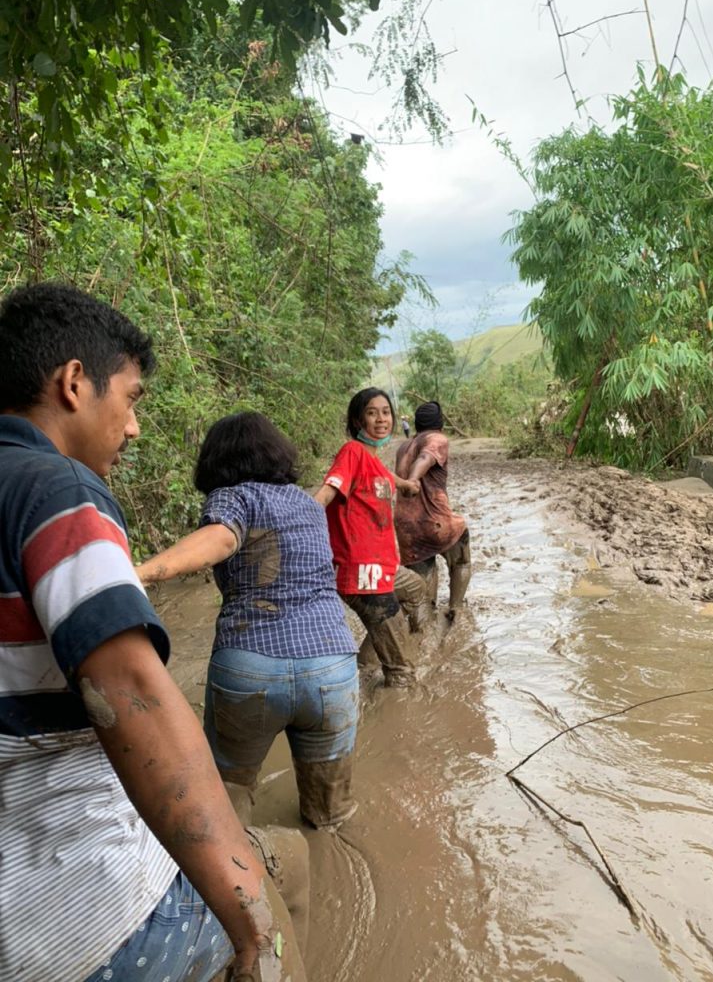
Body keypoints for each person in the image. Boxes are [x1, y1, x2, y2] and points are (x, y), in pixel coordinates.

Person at [0, 283, 305, 982]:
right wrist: (251, 922)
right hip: (94, 917)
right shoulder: (56, 490)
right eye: (132, 398)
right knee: (290, 876)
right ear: (74, 383)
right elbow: (134, 691)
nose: (135, 426)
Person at [137, 411, 360, 831]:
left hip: (251, 667)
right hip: (333, 665)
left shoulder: (232, 498)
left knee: (228, 797)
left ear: (217, 460)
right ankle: (330, 867)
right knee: (330, 811)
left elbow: (222, 537)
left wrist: (141, 573)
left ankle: (247, 880)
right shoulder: (307, 504)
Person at [314, 388, 422, 687]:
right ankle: (397, 712)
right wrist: (301, 520)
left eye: (385, 412)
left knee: (415, 589)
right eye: (372, 413)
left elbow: (389, 479)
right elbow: (328, 491)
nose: (381, 419)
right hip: (362, 573)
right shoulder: (352, 453)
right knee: (404, 673)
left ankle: (365, 663)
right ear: (357, 420)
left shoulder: (374, 461)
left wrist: (408, 485)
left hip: (382, 567)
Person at [394, 400, 471, 620]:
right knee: (462, 558)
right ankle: (456, 609)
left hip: (406, 526)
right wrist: (413, 480)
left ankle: (425, 622)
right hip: (434, 520)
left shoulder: (403, 447)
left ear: (417, 424)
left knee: (423, 577)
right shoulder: (437, 439)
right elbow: (426, 457)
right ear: (440, 424)